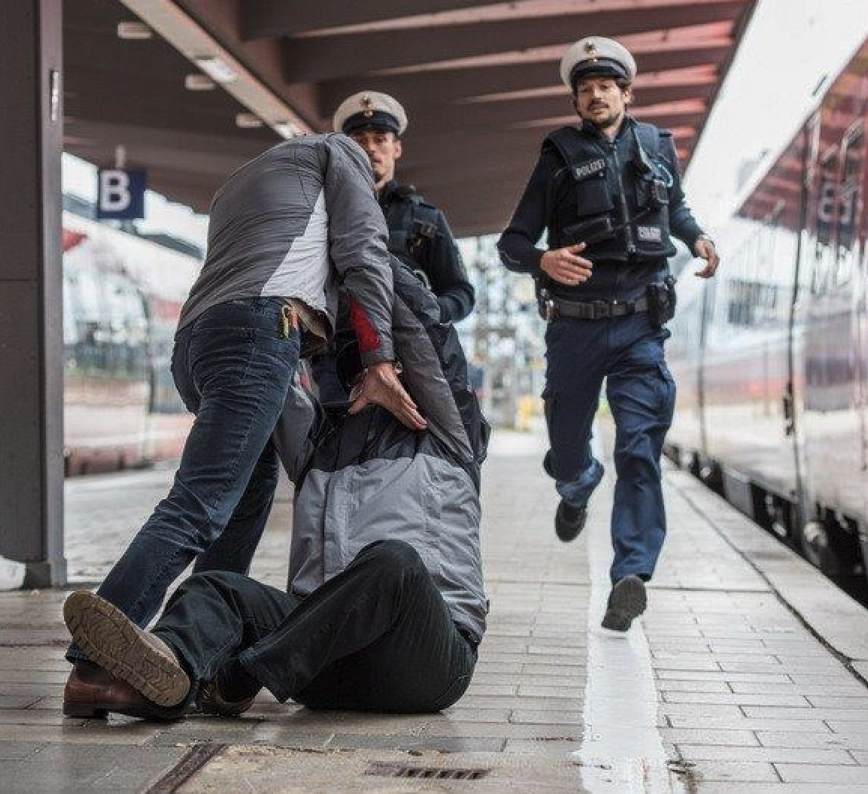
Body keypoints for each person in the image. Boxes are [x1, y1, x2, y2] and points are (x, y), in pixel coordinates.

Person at [63, 133, 428, 716]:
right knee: (201, 503)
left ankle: (194, 654)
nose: (374, 151)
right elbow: (364, 252)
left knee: (243, 502)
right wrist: (381, 359)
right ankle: (91, 662)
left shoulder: (243, 181)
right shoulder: (341, 154)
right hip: (260, 331)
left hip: (199, 341)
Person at [61, 259, 489, 719]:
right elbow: (267, 361)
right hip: (321, 663)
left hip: (424, 659)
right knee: (215, 588)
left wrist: (347, 247)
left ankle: (236, 677)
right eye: (350, 362)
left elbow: (427, 330)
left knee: (395, 562)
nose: (359, 371)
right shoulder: (317, 444)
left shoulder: (449, 432)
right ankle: (162, 675)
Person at [497, 37, 720, 631]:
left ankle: (631, 573)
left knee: (640, 447)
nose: (595, 95)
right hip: (575, 327)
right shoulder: (558, 155)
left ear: (626, 93)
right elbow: (513, 241)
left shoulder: (657, 148)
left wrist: (697, 237)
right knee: (569, 445)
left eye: (605, 86)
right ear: (576, 100)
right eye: (585, 88)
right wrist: (542, 260)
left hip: (641, 327)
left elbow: (675, 210)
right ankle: (576, 485)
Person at [333, 91, 475, 324]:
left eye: (380, 139)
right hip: (341, 346)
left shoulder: (425, 220)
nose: (370, 148)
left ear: (396, 148)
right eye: (359, 140)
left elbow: (461, 293)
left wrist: (430, 311)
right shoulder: (327, 215)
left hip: (408, 347)